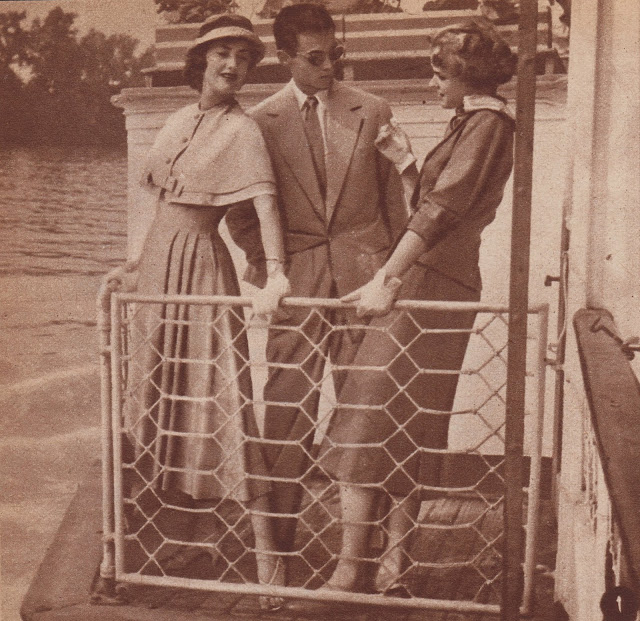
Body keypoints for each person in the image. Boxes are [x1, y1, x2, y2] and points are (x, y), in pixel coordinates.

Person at [320, 18, 517, 595]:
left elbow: (440, 213)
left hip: (431, 284)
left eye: (440, 75)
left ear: (467, 76)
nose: (433, 84)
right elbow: (432, 204)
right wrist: (407, 163)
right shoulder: (474, 124)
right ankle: (391, 565)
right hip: (435, 280)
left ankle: (352, 569)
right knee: (406, 421)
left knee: (368, 419)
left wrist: (386, 277)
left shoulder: (487, 125)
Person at [224, 2, 408, 574]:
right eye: (316, 58)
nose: (330, 67)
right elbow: (241, 217)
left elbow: (395, 205)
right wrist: (276, 271)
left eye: (336, 55)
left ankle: (368, 555)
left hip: (363, 285)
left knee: (368, 415)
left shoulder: (373, 110)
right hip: (296, 288)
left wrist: (386, 275)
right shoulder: (259, 122)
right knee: (285, 415)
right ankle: (278, 552)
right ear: (285, 58)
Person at [116, 14, 289, 611]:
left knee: (220, 400)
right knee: (155, 396)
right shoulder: (177, 120)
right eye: (222, 53)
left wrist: (276, 273)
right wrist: (136, 265)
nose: (232, 65)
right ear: (201, 60)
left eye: (243, 56)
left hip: (201, 269)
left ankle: (268, 567)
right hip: (159, 271)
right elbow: (163, 205)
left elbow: (265, 205)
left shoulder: (243, 130)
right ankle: (170, 543)